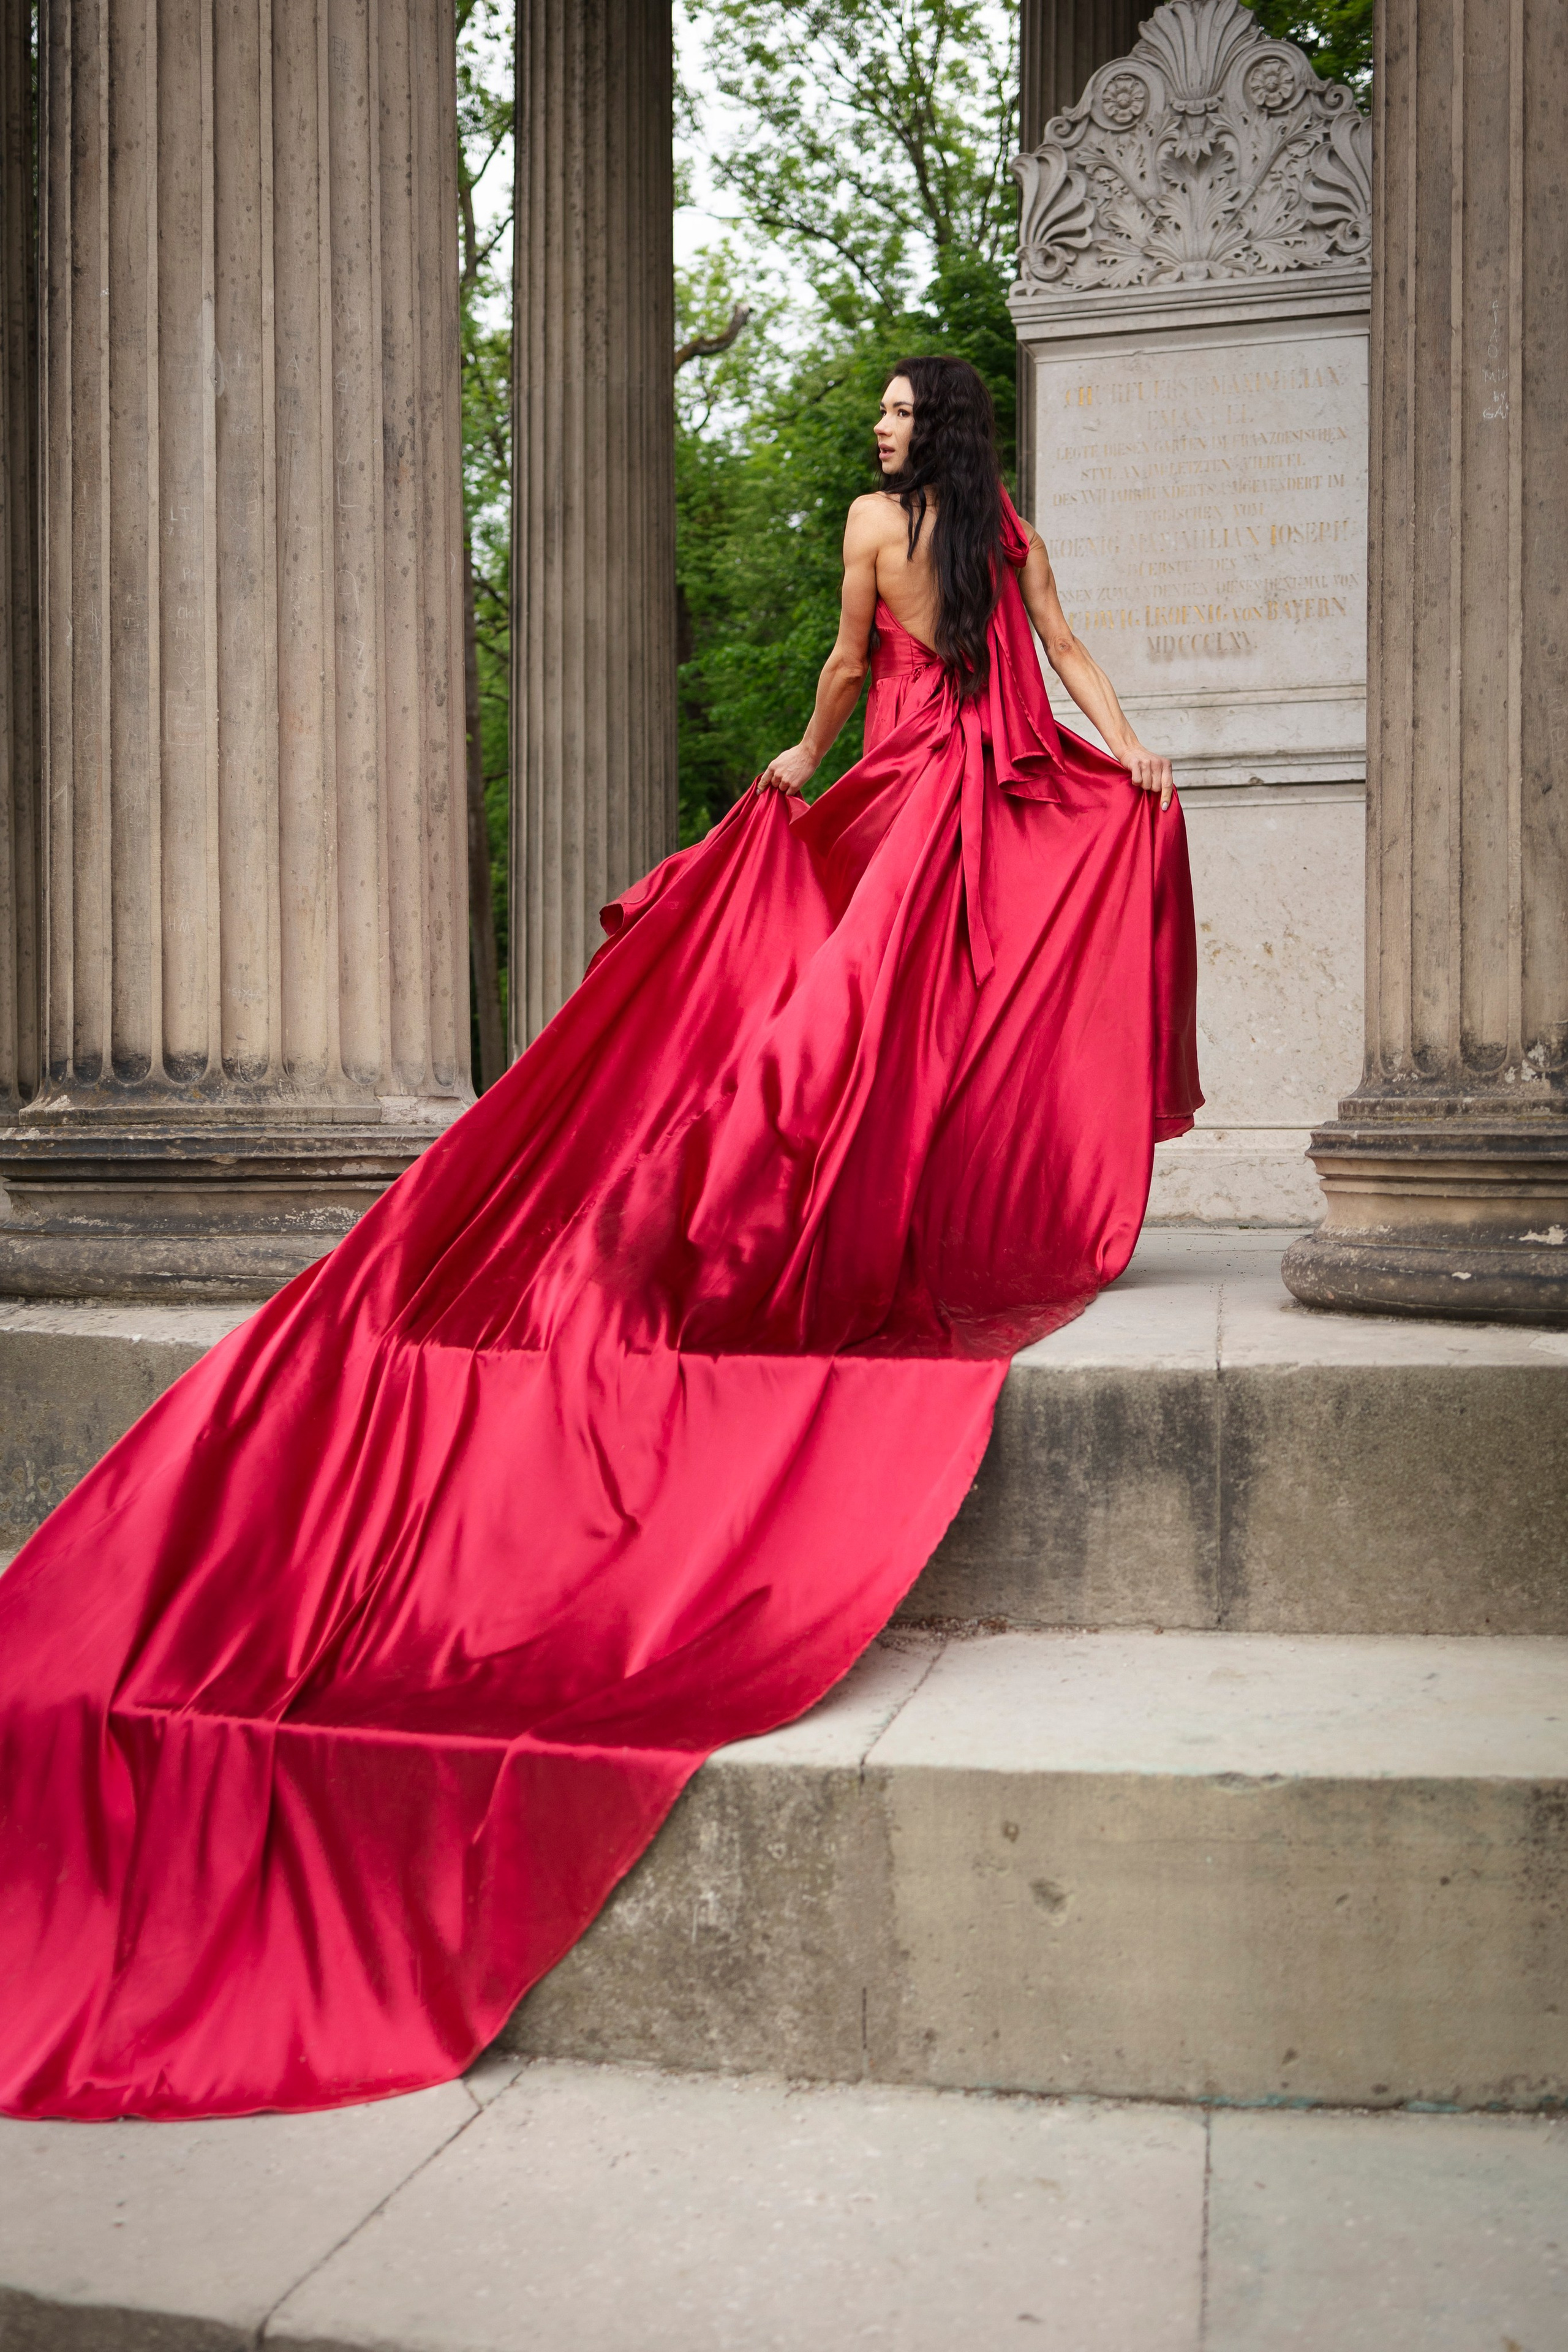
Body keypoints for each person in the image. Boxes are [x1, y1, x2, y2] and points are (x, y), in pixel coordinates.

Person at [0, 356, 1200, 2124]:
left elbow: (853, 679)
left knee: (841, 1038)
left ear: (921, 434)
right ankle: (832, 1218)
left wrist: (791, 773)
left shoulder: (888, 531)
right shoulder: (992, 525)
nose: (873, 436)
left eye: (889, 414)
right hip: (981, 800)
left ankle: (713, 1228)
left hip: (912, 798)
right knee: (919, 1034)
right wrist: (1127, 753)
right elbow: (1064, 651)